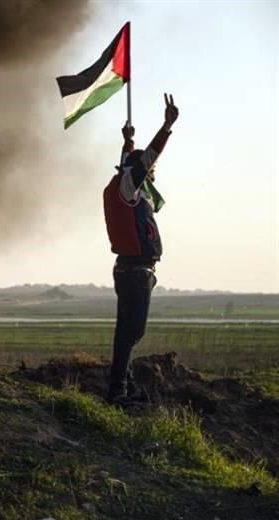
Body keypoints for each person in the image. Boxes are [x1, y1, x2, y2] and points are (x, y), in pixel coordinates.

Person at [103, 93, 179, 404]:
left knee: (127, 331)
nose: (152, 174)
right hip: (135, 273)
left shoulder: (120, 185)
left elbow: (131, 162)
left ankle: (124, 386)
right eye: (148, 172)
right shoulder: (127, 187)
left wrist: (127, 142)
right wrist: (166, 127)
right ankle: (118, 390)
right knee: (131, 333)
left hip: (131, 270)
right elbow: (144, 161)